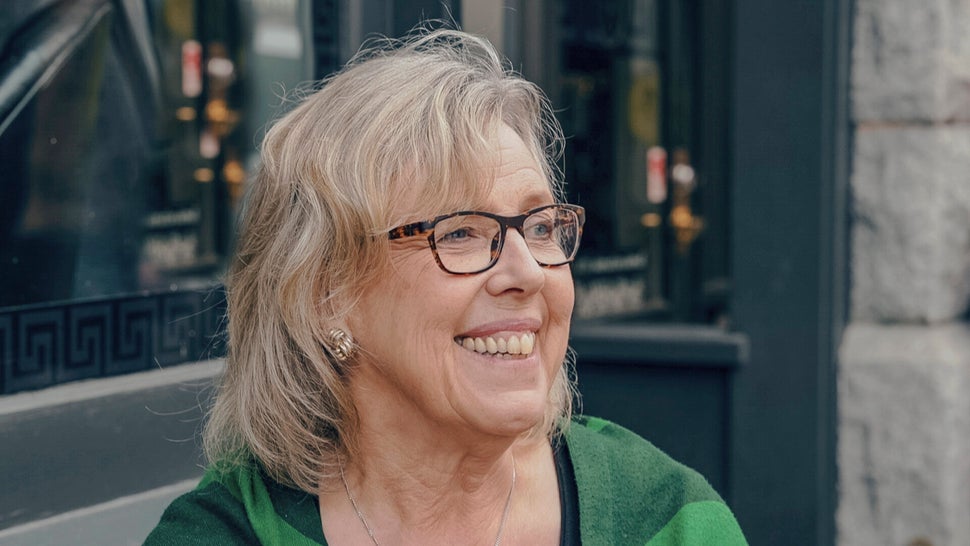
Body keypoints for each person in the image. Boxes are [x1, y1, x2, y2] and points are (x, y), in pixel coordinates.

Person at [145, 27, 747, 545]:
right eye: (460, 233)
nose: (528, 273)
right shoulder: (222, 534)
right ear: (327, 296)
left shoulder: (666, 519)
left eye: (539, 227)